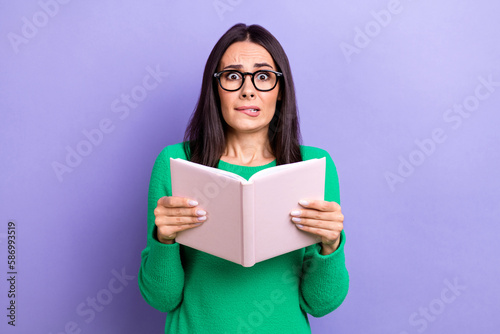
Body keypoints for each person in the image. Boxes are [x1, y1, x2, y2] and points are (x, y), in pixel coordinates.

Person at [138, 23, 349, 334]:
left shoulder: (313, 166)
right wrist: (164, 241)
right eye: (233, 76)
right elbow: (161, 297)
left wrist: (331, 246)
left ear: (280, 91)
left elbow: (320, 304)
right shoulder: (176, 162)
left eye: (263, 76)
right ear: (215, 88)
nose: (247, 89)